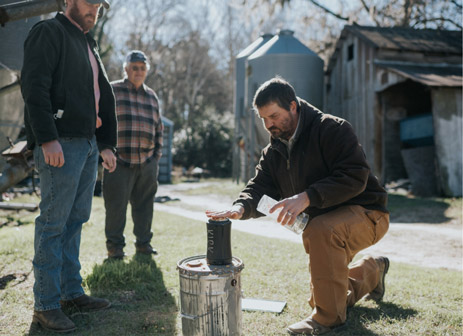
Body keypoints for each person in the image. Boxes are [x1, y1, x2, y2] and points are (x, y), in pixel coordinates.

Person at [206, 77, 390, 335]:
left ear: (293, 106)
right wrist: (240, 207)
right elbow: (259, 187)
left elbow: (355, 176)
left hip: (369, 212)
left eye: (274, 116)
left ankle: (327, 320)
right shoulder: (274, 151)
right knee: (327, 295)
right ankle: (373, 269)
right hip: (326, 224)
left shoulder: (332, 129)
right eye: (263, 119)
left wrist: (307, 197)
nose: (269, 124)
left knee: (321, 234)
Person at [21, 0, 117, 333]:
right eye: (91, 3)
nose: (96, 10)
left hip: (87, 144)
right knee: (52, 224)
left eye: (100, 6)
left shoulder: (86, 42)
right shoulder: (48, 31)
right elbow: (34, 87)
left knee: (75, 221)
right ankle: (46, 306)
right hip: (61, 143)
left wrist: (105, 143)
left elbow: (99, 94)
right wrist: (47, 138)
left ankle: (71, 293)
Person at [103, 50, 164, 259]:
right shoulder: (112, 90)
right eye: (134, 68)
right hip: (117, 162)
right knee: (115, 208)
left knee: (145, 207)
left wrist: (155, 158)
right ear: (126, 69)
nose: (139, 71)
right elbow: (101, 122)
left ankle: (143, 244)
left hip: (146, 163)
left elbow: (159, 128)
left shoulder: (152, 96)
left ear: (147, 71)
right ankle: (115, 248)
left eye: (142, 68)